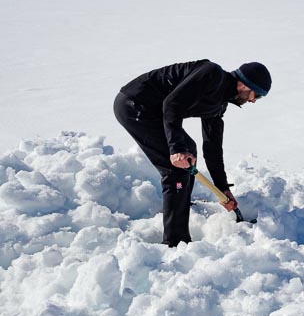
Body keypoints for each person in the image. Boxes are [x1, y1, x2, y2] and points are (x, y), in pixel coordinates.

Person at [113, 59, 271, 246]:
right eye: (256, 95)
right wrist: (176, 148)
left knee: (189, 154)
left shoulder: (219, 104)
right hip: (135, 104)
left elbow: (212, 148)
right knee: (176, 169)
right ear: (245, 84)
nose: (253, 100)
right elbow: (172, 104)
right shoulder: (211, 74)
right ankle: (175, 242)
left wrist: (223, 188)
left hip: (153, 111)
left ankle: (180, 207)